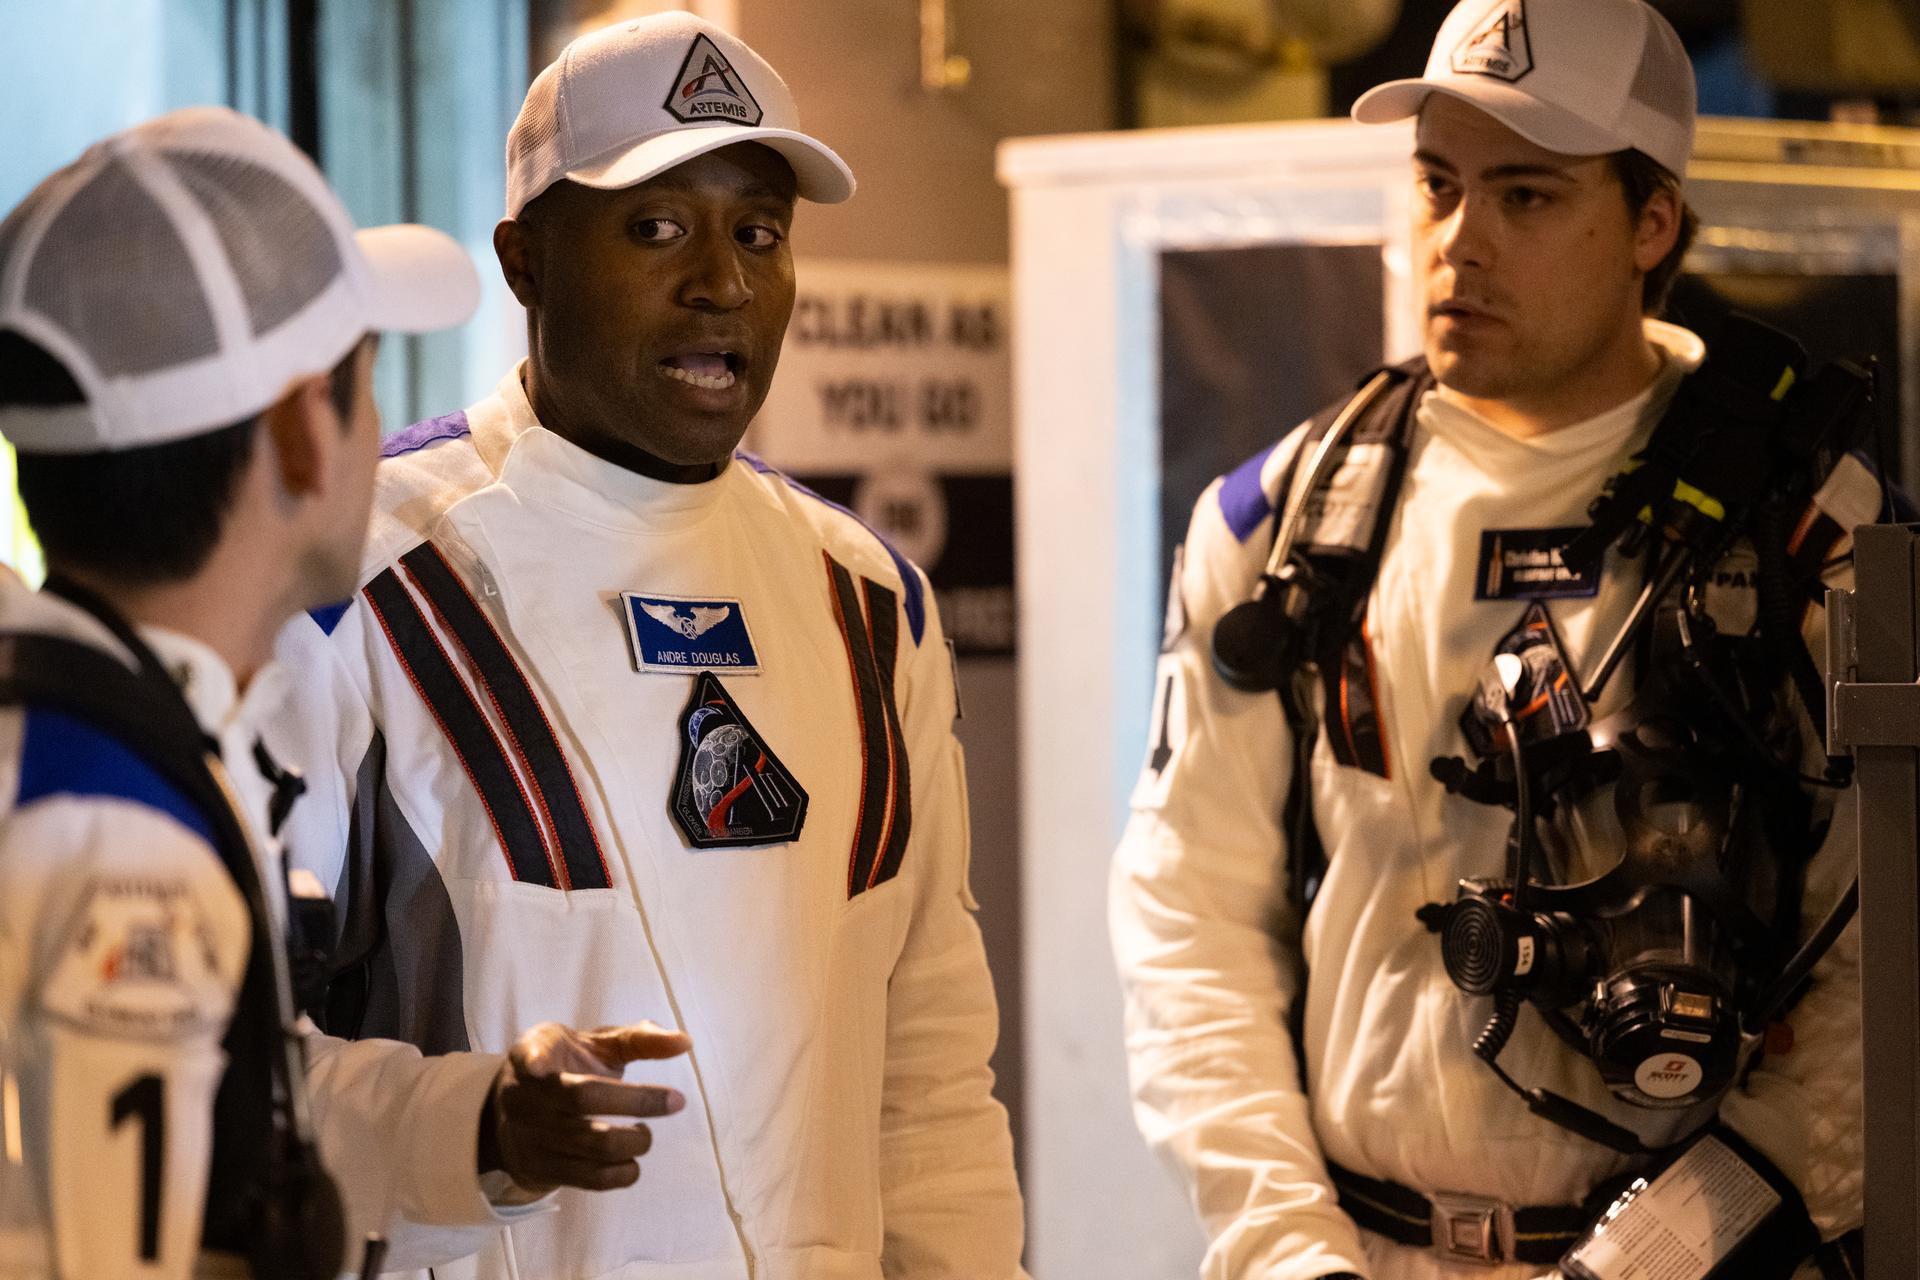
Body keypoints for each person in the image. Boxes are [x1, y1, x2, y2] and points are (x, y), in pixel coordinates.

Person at [1110, 2, 1866, 1278]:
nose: (1460, 241)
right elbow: (1190, 915)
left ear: (1652, 225)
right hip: (1361, 1248)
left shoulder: (1811, 529)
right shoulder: (1290, 516)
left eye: (1526, 197)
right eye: (1439, 185)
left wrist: (1657, 1260)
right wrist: (1286, 1251)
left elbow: (1876, 970)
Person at [265, 13, 1026, 1280]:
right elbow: (241, 1070)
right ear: (525, 260)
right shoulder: (361, 583)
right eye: (655, 227)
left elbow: (931, 1060)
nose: (720, 282)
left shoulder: (865, 597)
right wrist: (483, 1128)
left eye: (759, 233)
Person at [0, 107, 706, 1280]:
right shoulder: (114, 828)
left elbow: (233, 1105)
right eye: (365, 384)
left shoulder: (90, 735)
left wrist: (478, 1125)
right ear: (299, 439)